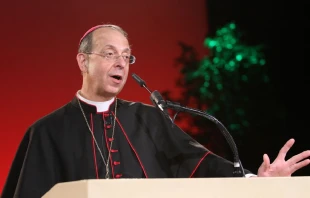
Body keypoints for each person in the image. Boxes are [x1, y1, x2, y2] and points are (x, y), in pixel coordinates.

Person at [2, 24, 310, 198]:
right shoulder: (46, 132)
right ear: (83, 61)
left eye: (127, 56)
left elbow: (200, 165)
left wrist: (257, 179)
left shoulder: (148, 119)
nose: (121, 63)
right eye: (110, 54)